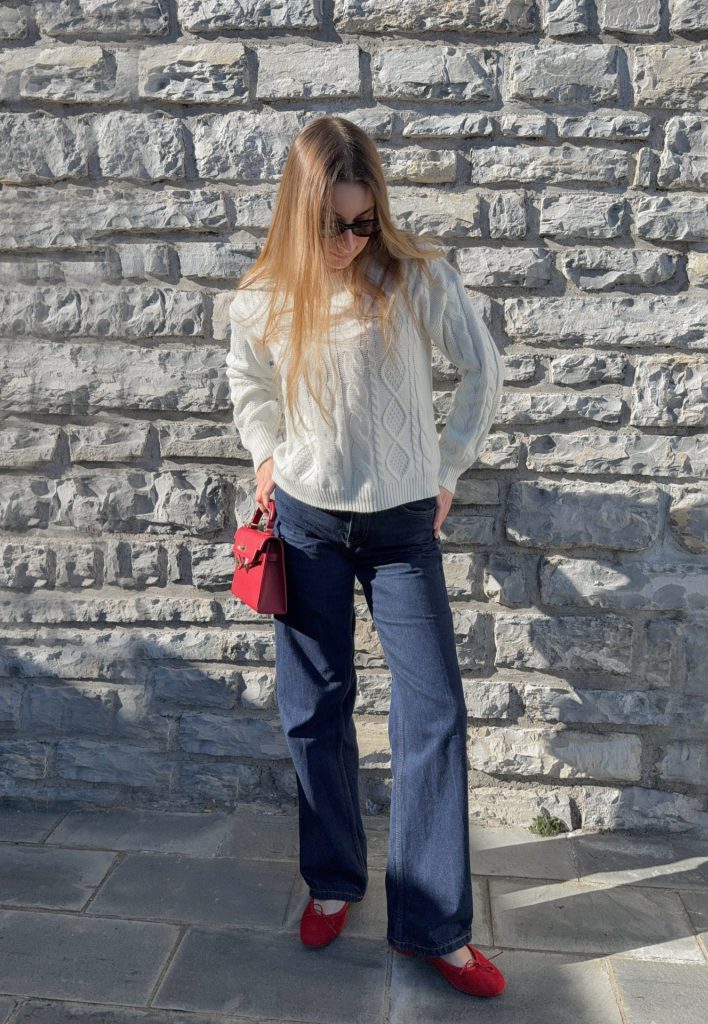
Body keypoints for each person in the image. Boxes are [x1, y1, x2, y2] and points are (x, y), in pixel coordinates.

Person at [225, 115, 505, 998]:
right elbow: (249, 384)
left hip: (400, 532)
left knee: (435, 712)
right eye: (332, 225)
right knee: (314, 708)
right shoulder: (264, 295)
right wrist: (266, 457)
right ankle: (332, 882)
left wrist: (447, 470)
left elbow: (483, 371)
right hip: (306, 522)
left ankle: (433, 927)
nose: (350, 241)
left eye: (363, 221)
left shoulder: (417, 277)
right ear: (298, 215)